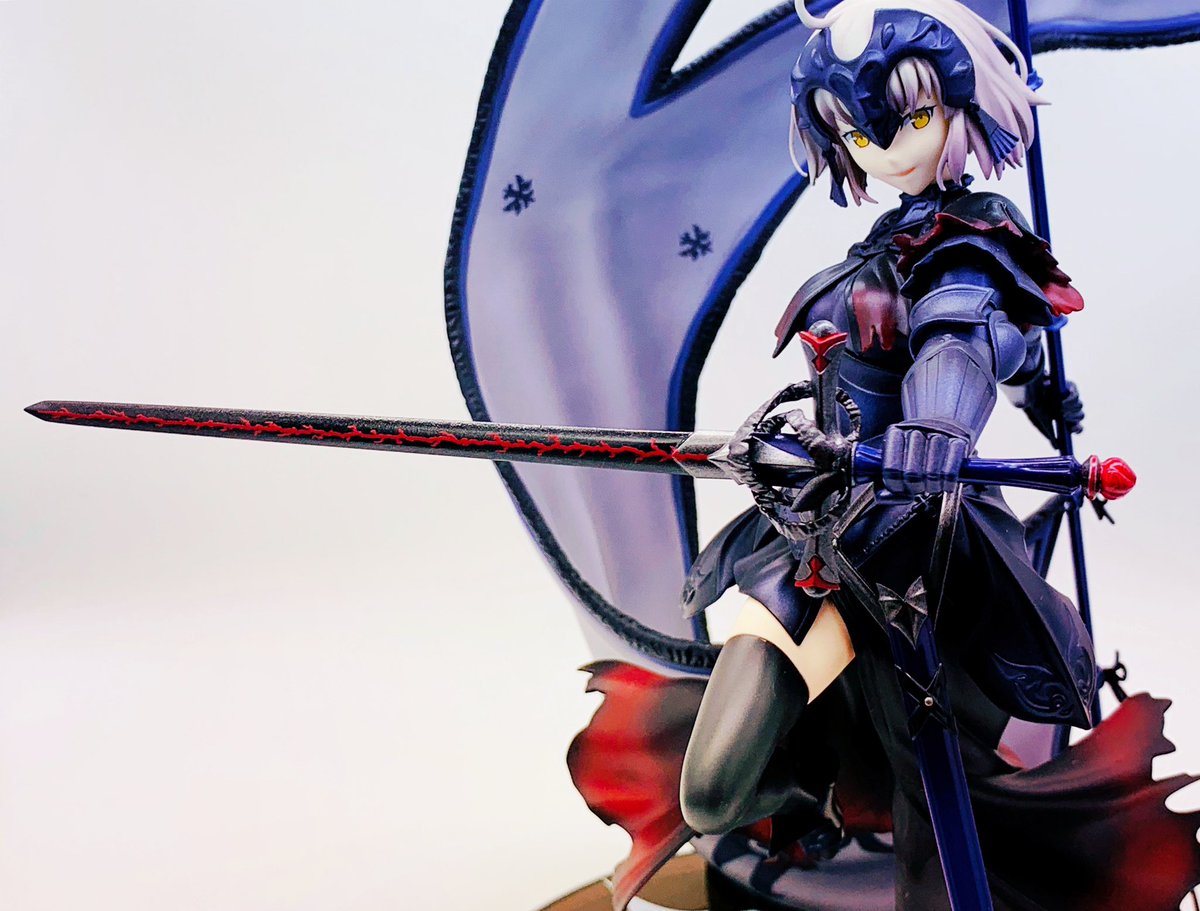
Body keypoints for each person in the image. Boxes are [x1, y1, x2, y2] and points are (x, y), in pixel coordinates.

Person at [568, 2, 1200, 909]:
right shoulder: (884, 242)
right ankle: (817, 800)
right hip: (817, 532)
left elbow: (964, 335)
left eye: (910, 117)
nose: (884, 148)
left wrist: (940, 425)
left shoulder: (973, 236)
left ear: (963, 104)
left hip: (916, 546)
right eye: (856, 132)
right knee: (712, 789)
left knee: (935, 810)